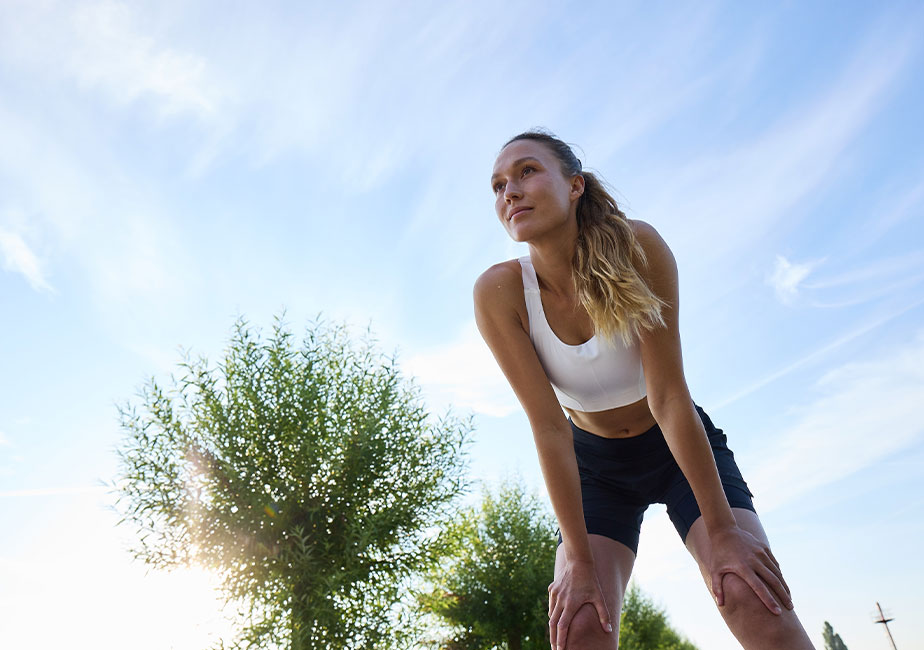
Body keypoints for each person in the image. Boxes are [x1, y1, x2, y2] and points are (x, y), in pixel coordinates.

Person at [473, 129, 816, 650]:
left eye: (526, 172)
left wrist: (724, 535)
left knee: (746, 590)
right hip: (594, 466)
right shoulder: (498, 293)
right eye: (498, 185)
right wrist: (579, 562)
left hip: (677, 444)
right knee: (581, 623)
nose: (510, 192)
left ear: (574, 186)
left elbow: (670, 397)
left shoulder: (636, 247)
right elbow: (548, 428)